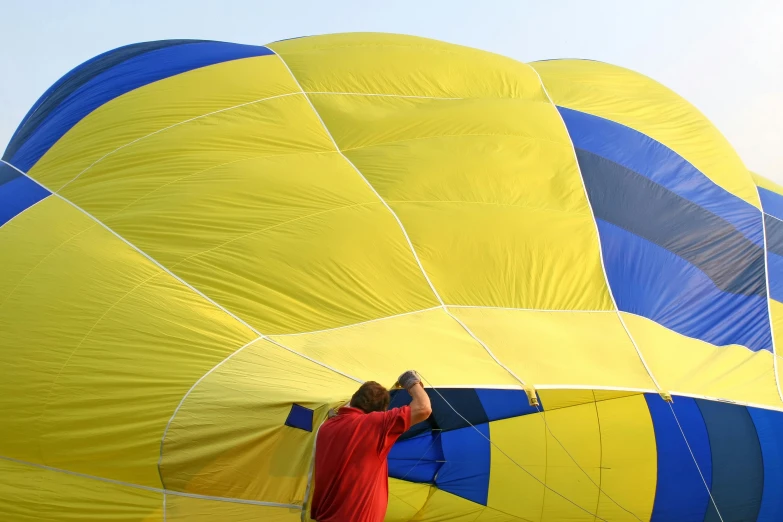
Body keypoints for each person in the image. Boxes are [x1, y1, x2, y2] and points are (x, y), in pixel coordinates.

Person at [309, 370, 433, 522]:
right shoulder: (375, 424)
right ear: (381, 412)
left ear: (354, 399)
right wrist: (410, 381)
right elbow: (423, 408)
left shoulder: (327, 426)